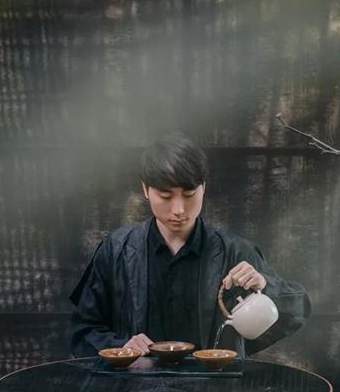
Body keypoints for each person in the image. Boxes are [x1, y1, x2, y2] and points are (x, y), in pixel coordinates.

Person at [68, 132, 311, 359]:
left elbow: (297, 311)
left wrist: (265, 285)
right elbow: (83, 330)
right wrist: (122, 348)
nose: (178, 209)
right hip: (135, 385)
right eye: (165, 196)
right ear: (145, 189)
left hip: (216, 387)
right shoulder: (115, 250)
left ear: (203, 187)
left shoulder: (236, 252)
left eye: (189, 194)